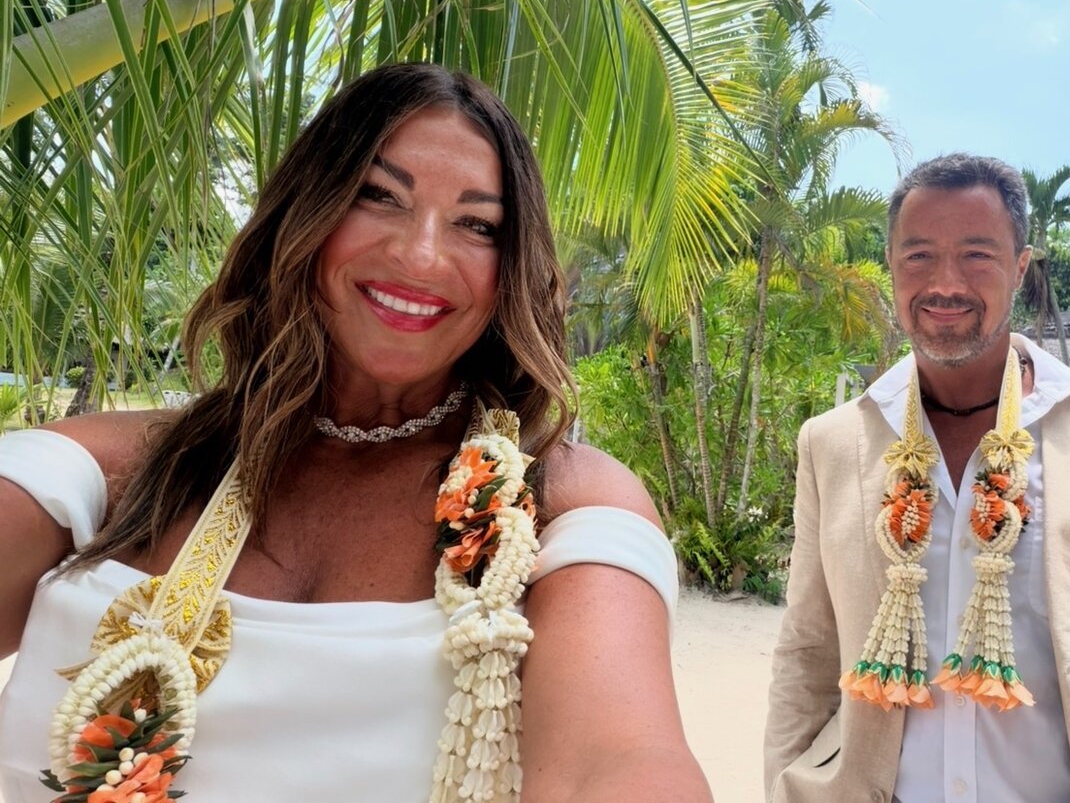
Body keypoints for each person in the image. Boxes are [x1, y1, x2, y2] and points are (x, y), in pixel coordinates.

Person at [0, 63, 711, 803]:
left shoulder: (559, 503)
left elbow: (619, 759)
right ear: (305, 212)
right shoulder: (111, 469)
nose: (421, 256)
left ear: (511, 267)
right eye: (378, 196)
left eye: (477, 225)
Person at [763, 153, 1070, 803]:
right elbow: (806, 655)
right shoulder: (831, 444)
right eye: (918, 256)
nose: (945, 283)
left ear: (1020, 268)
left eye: (976, 255)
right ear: (891, 265)